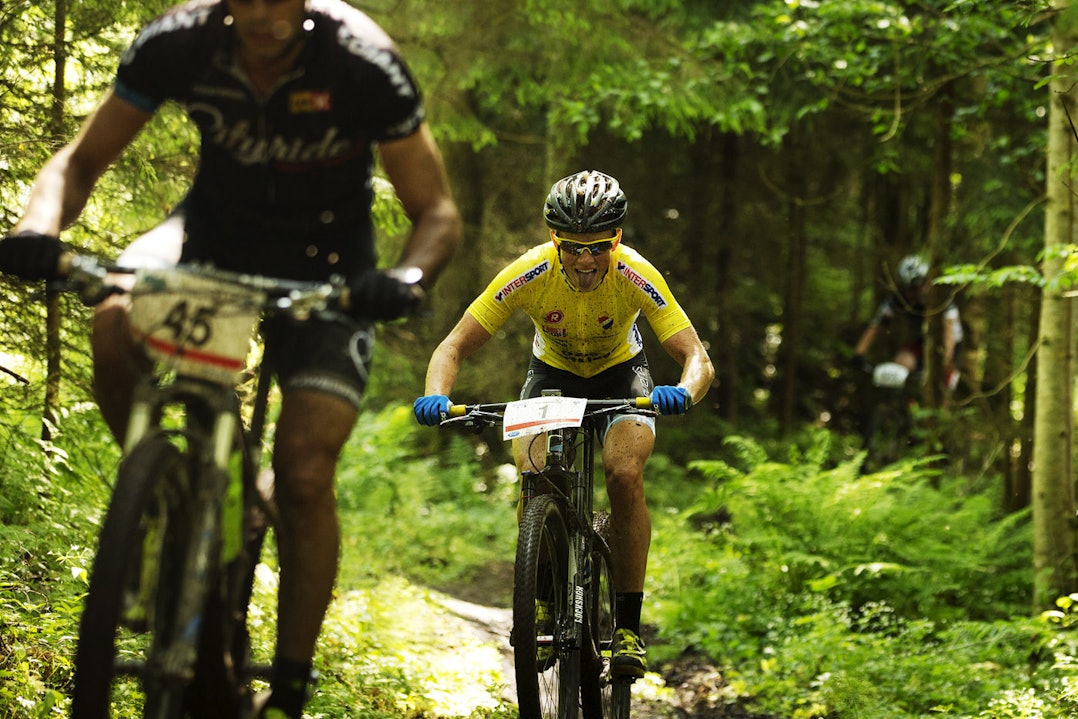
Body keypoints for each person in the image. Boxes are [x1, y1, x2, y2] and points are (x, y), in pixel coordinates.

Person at [0, 1, 461, 717]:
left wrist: (404, 280)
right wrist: (37, 225)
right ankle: (162, 499)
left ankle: (291, 686)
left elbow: (437, 212)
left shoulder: (362, 61)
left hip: (332, 265)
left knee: (305, 474)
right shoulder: (179, 43)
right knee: (113, 313)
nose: (263, 12)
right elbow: (82, 160)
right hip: (209, 240)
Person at [413, 169, 715, 679]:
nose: (583, 260)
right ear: (554, 239)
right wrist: (435, 396)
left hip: (622, 374)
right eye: (571, 247)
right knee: (535, 474)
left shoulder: (636, 273)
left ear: (616, 238)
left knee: (623, 473)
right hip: (551, 374)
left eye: (597, 246)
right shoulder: (529, 271)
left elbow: (696, 357)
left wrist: (683, 391)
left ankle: (626, 627)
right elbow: (454, 344)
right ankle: (545, 599)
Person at [852, 254, 963, 387]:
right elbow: (877, 325)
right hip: (922, 342)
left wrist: (945, 362)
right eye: (907, 288)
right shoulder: (898, 299)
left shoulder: (940, 298)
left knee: (942, 384)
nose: (911, 293)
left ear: (925, 282)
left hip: (948, 345)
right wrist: (859, 353)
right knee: (900, 363)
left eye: (915, 288)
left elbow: (949, 332)